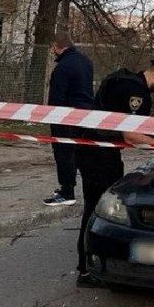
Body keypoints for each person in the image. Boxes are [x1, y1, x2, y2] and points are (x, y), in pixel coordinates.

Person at [76, 55, 154, 287]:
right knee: (101, 210)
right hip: (99, 154)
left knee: (98, 208)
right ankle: (89, 269)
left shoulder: (126, 81)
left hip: (97, 151)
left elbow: (134, 127)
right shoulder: (136, 92)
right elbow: (130, 134)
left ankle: (92, 265)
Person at [44, 32, 93, 207]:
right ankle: (76, 189)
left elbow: (56, 97)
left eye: (53, 47)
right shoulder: (86, 62)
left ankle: (67, 192)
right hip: (85, 115)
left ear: (57, 46)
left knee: (64, 154)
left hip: (65, 117)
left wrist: (51, 116)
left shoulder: (62, 67)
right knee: (78, 154)